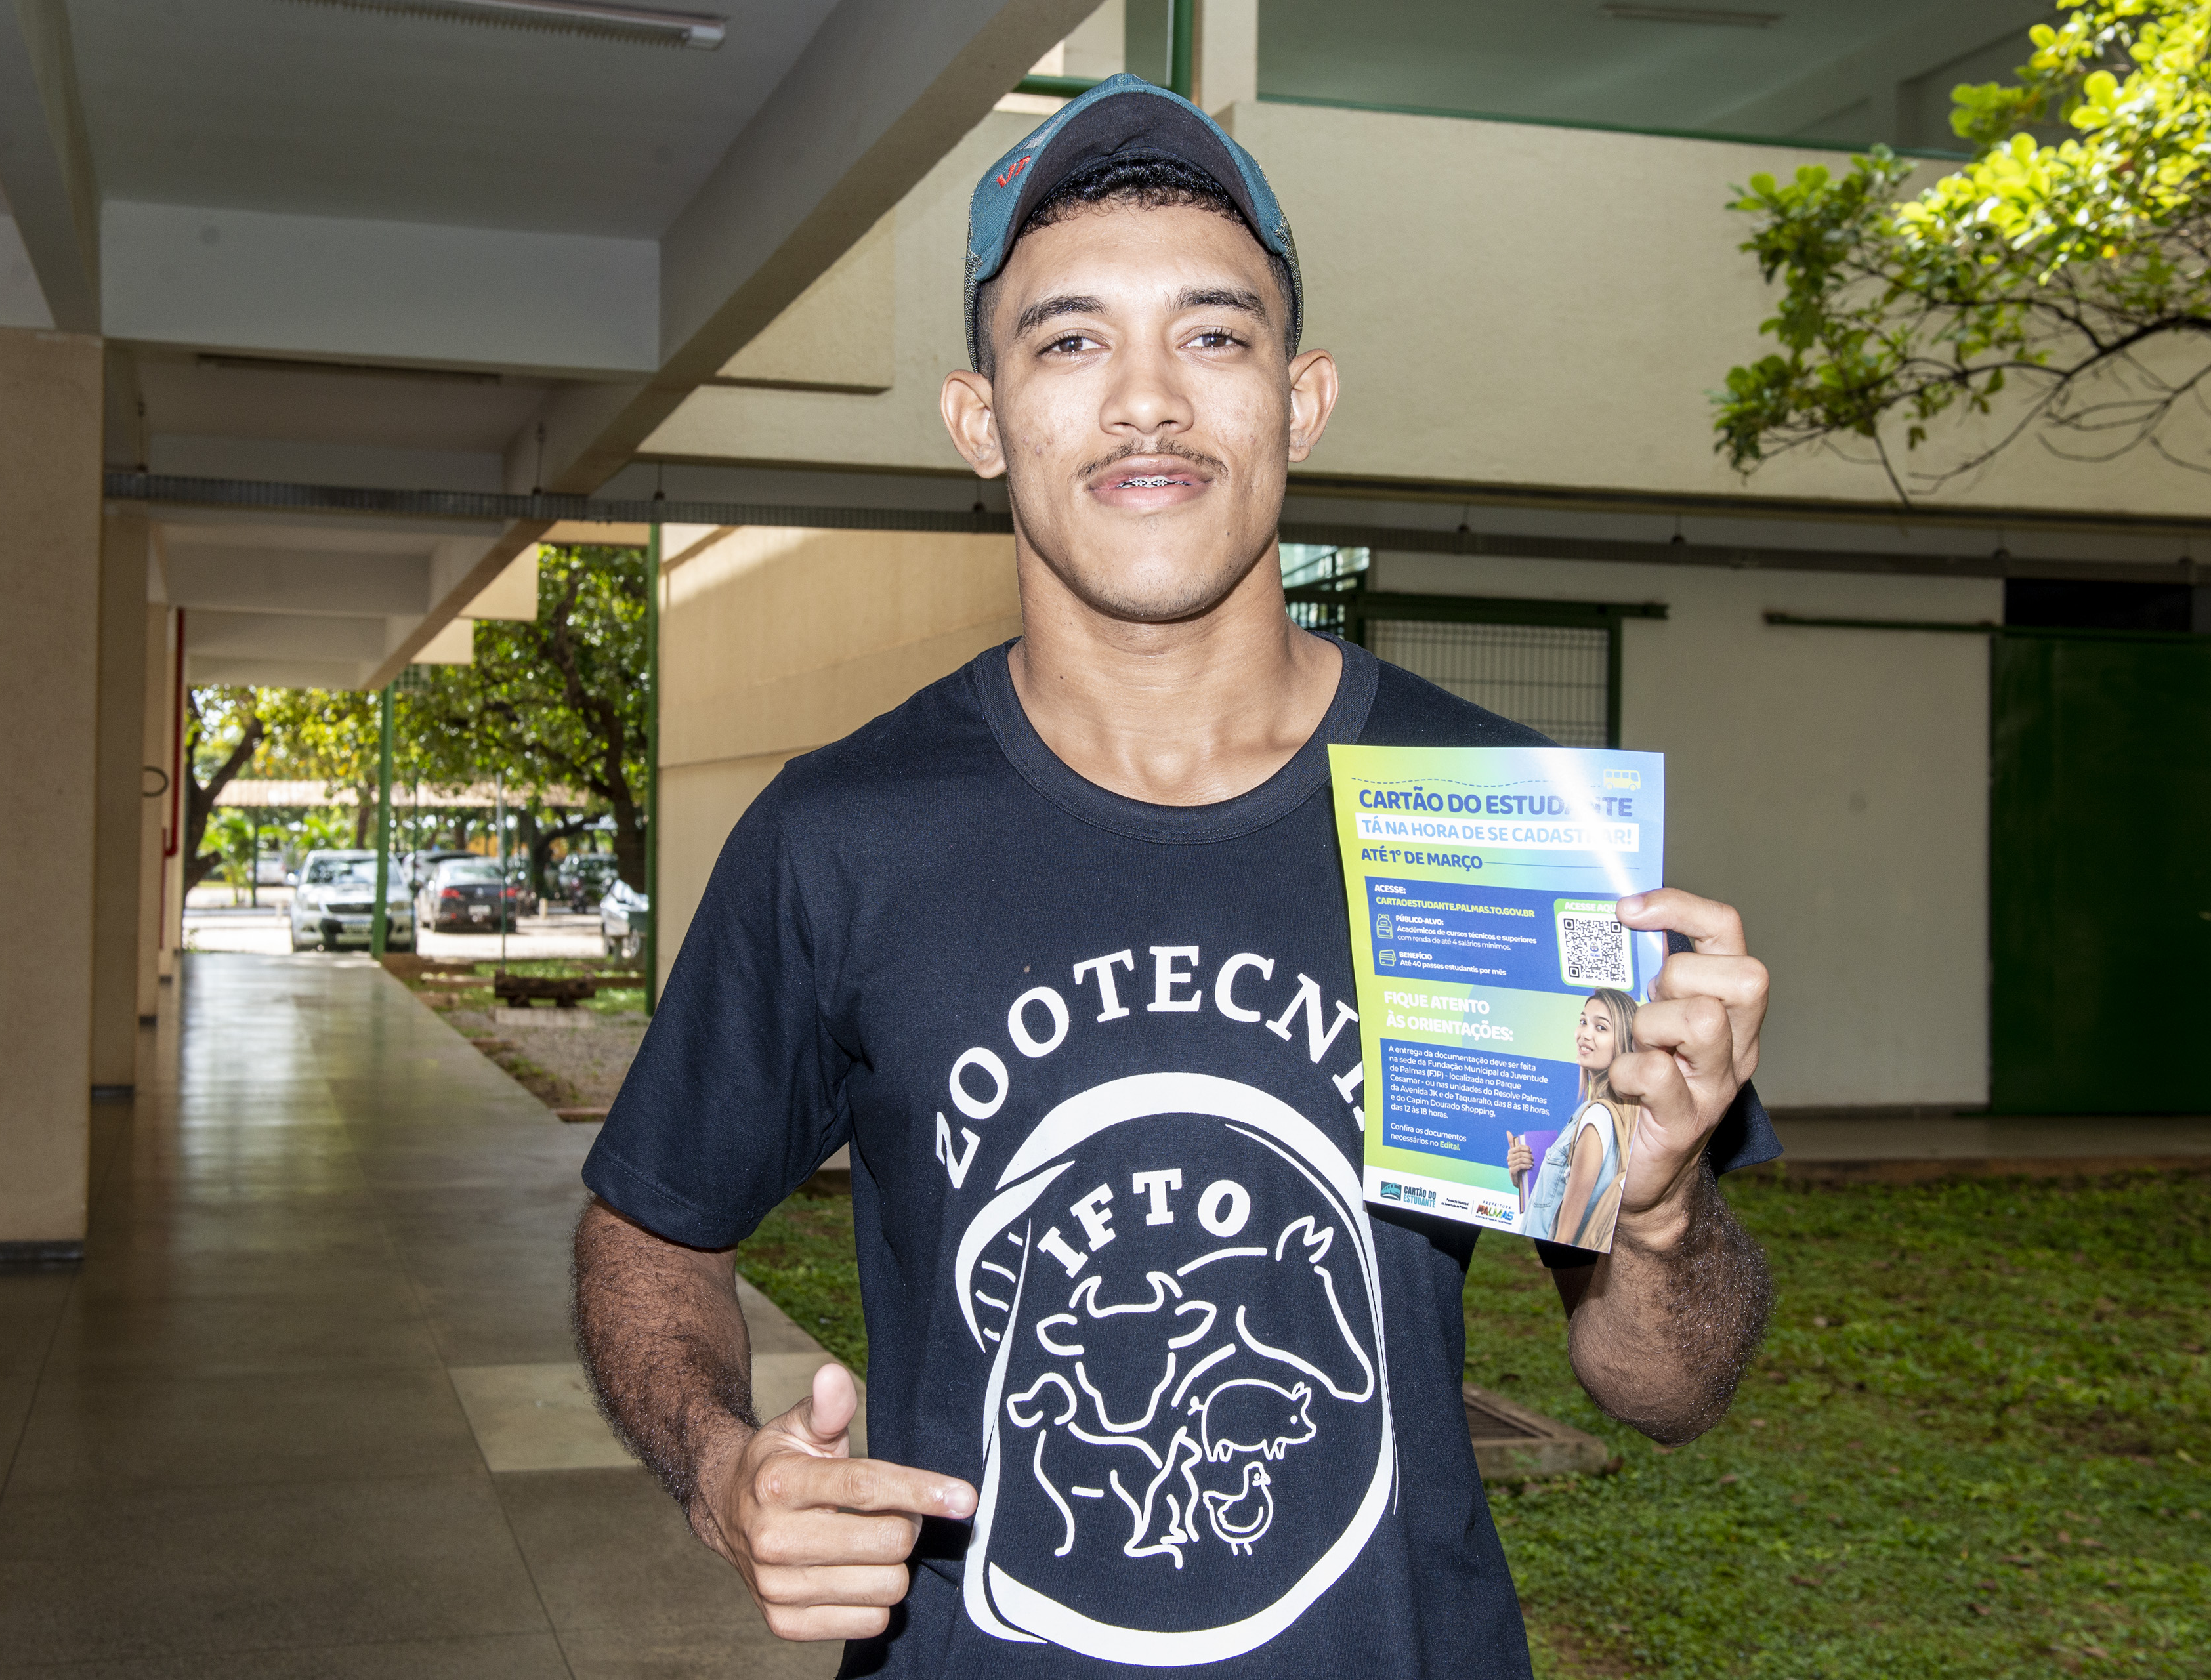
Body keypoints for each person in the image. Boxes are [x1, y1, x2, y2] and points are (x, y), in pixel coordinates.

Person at [571, 75, 1777, 1677]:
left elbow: (1665, 1386)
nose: (1146, 400)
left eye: (1213, 336)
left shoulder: (1490, 833)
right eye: (1068, 341)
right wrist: (724, 1464)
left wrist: (1662, 1208)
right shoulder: (841, 835)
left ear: (1302, 397)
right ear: (979, 420)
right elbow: (646, 1229)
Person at [1506, 987, 1640, 1244]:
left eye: (1601, 1028)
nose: (1584, 1034)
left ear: (1623, 1041)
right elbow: (1562, 1201)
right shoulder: (1605, 1112)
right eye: (1583, 1022)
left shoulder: (1597, 1118)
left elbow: (1565, 1239)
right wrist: (1523, 1177)